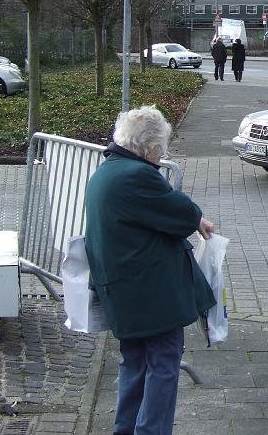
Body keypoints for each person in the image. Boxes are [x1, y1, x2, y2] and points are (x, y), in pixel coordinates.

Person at [84, 106, 216, 435]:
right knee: (163, 365)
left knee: (135, 363)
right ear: (150, 148)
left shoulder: (106, 171)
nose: (162, 156)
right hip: (150, 297)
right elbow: (183, 212)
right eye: (162, 149)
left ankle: (126, 429)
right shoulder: (137, 176)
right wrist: (195, 217)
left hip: (123, 291)